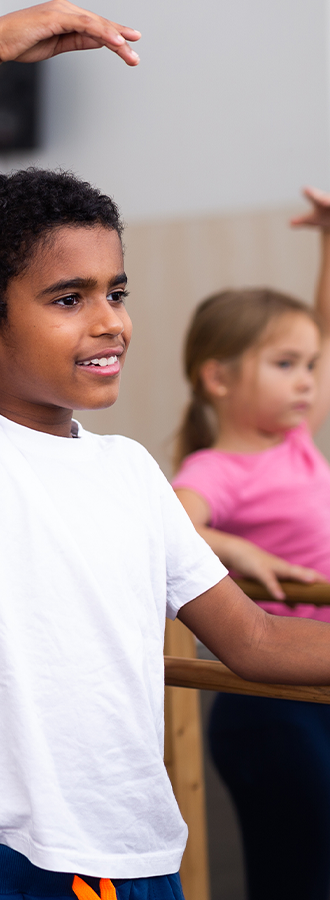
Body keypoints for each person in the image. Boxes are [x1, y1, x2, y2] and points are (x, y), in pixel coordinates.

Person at [0, 3, 330, 897]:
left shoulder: (129, 472)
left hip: (134, 857)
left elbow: (252, 643)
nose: (109, 321)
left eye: (114, 290)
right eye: (67, 297)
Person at [170, 187, 330, 900]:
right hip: (272, 700)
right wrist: (237, 547)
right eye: (285, 365)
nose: (307, 381)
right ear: (219, 377)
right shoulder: (216, 470)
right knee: (297, 872)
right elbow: (169, 524)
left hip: (317, 678)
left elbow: (324, 334)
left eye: (310, 367)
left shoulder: (293, 442)